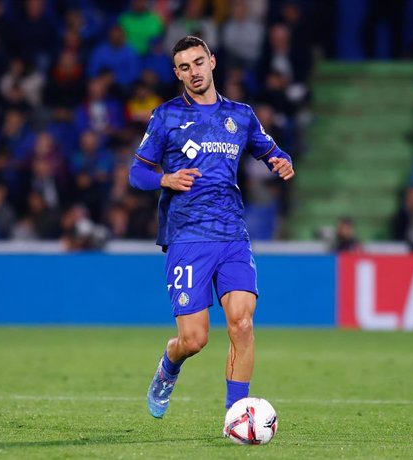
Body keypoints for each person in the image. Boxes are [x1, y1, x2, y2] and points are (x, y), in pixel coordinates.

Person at [128, 36, 295, 419]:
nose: (194, 72)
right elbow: (137, 173)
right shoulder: (166, 116)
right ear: (177, 73)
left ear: (212, 62)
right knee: (194, 339)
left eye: (198, 62)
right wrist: (165, 180)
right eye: (184, 67)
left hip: (232, 234)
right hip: (187, 235)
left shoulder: (241, 115)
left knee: (242, 322)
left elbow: (270, 150)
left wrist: (281, 161)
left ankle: (235, 415)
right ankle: (169, 366)